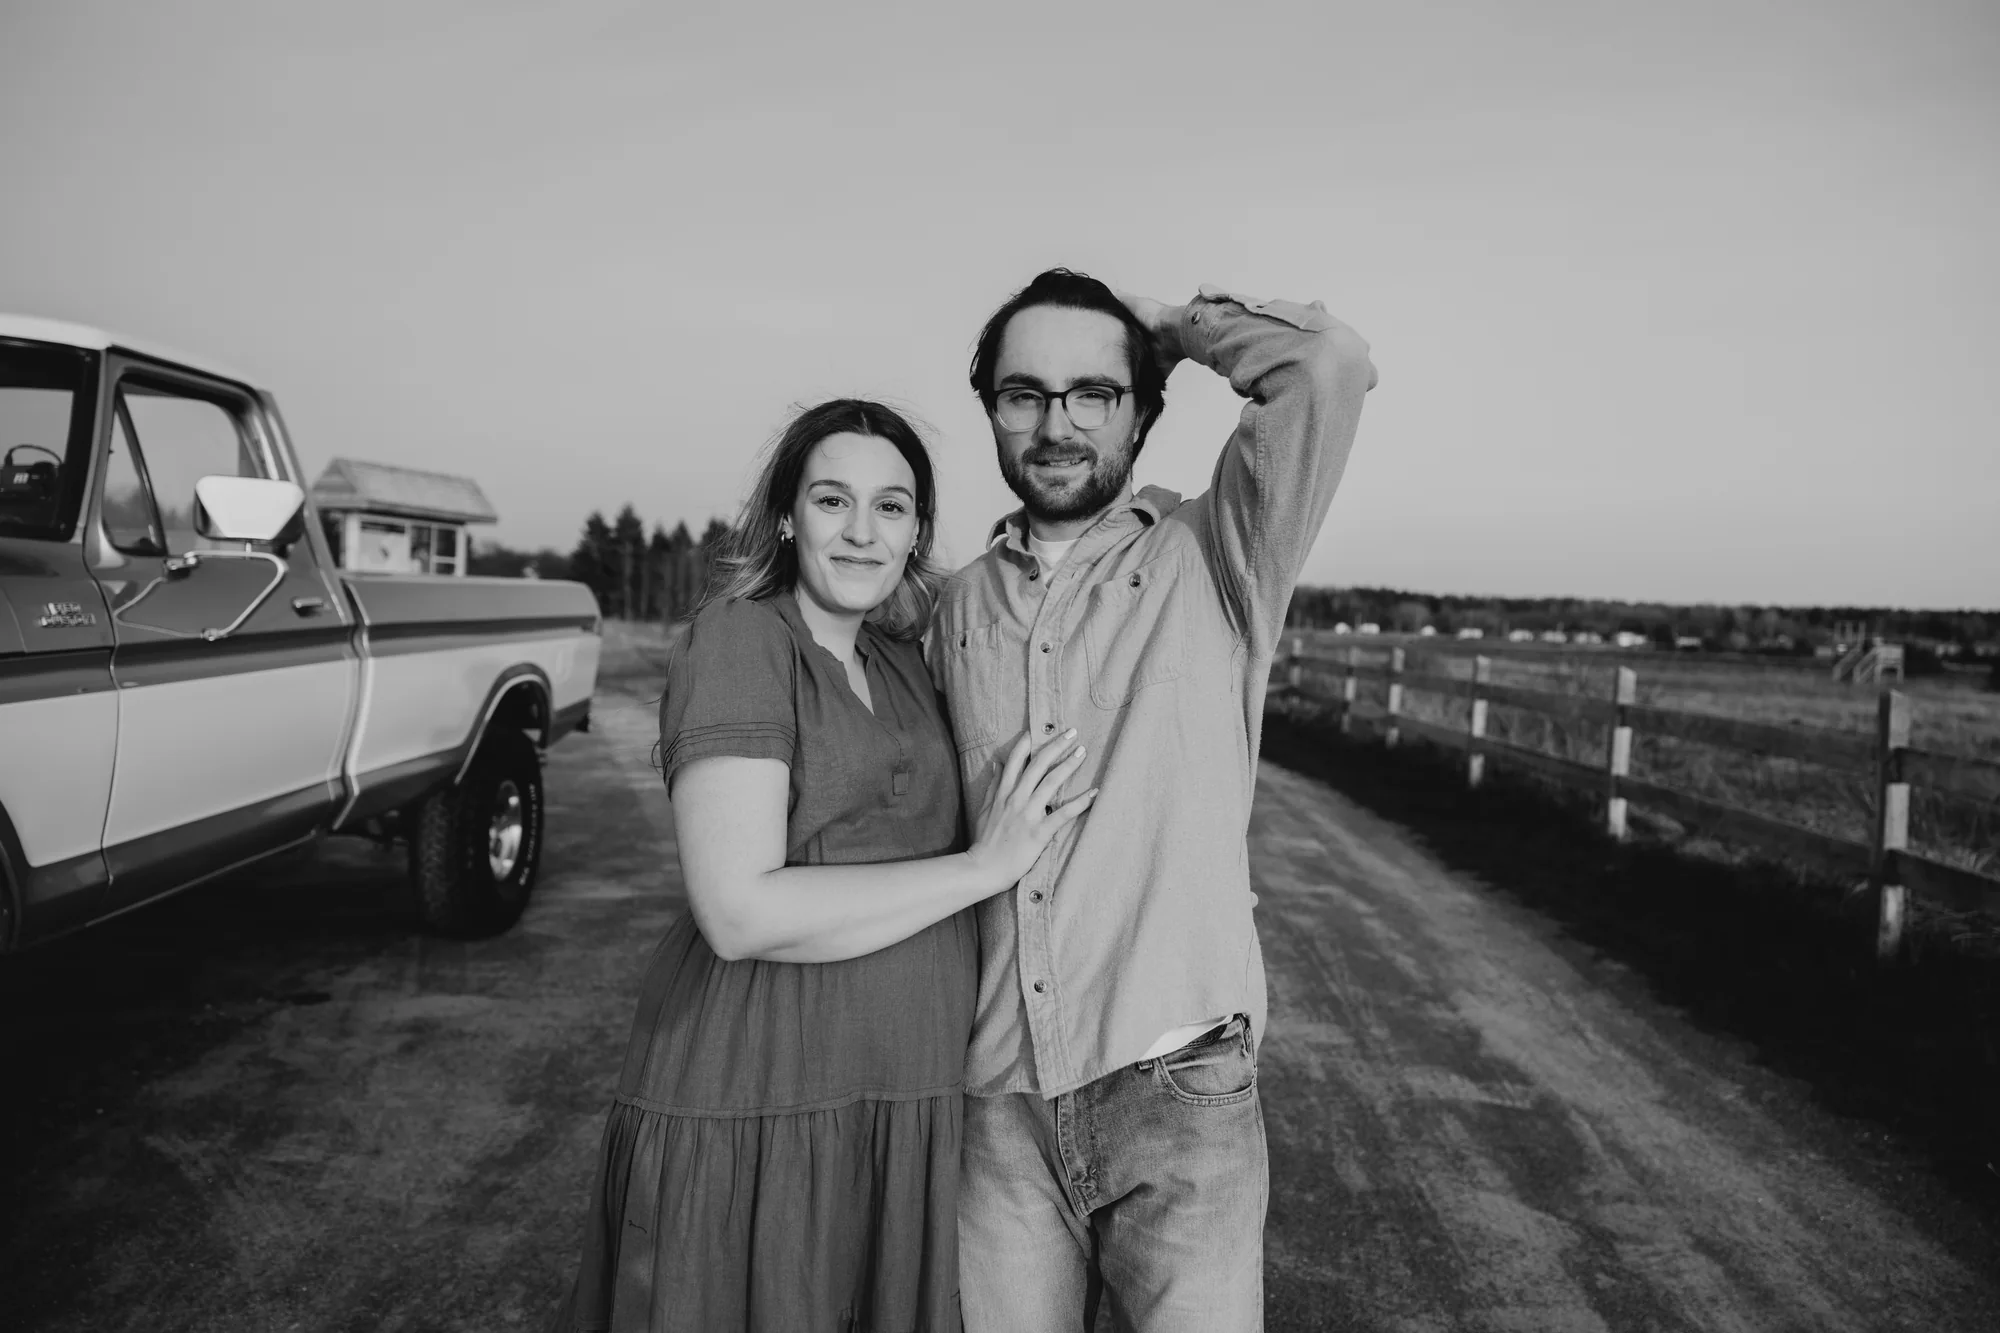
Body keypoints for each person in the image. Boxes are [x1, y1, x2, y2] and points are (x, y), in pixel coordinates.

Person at [551, 398, 1098, 1333]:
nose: (860, 530)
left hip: (902, 1103)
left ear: (918, 529)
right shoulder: (741, 637)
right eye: (833, 499)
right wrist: (984, 866)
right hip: (765, 1088)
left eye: (891, 507)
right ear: (786, 516)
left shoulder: (902, 662)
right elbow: (736, 910)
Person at [929, 270, 1377, 1330]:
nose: (1056, 424)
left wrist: (1170, 329)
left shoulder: (1218, 553)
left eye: (1093, 391)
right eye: (1023, 394)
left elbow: (1327, 367)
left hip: (1176, 1089)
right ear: (988, 404)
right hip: (996, 1106)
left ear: (1141, 409)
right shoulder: (952, 609)